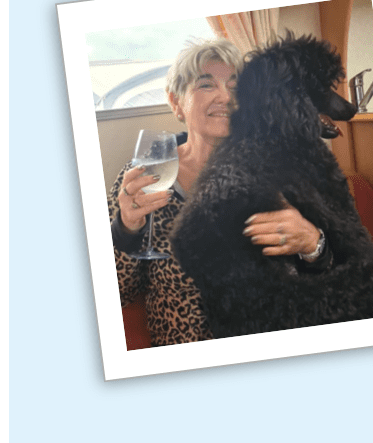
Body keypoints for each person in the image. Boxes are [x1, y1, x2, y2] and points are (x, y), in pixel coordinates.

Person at [108, 39, 332, 346]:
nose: (225, 97)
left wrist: (312, 243)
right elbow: (118, 292)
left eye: (235, 85)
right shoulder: (145, 175)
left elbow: (335, 267)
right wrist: (126, 228)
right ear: (176, 102)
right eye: (206, 84)